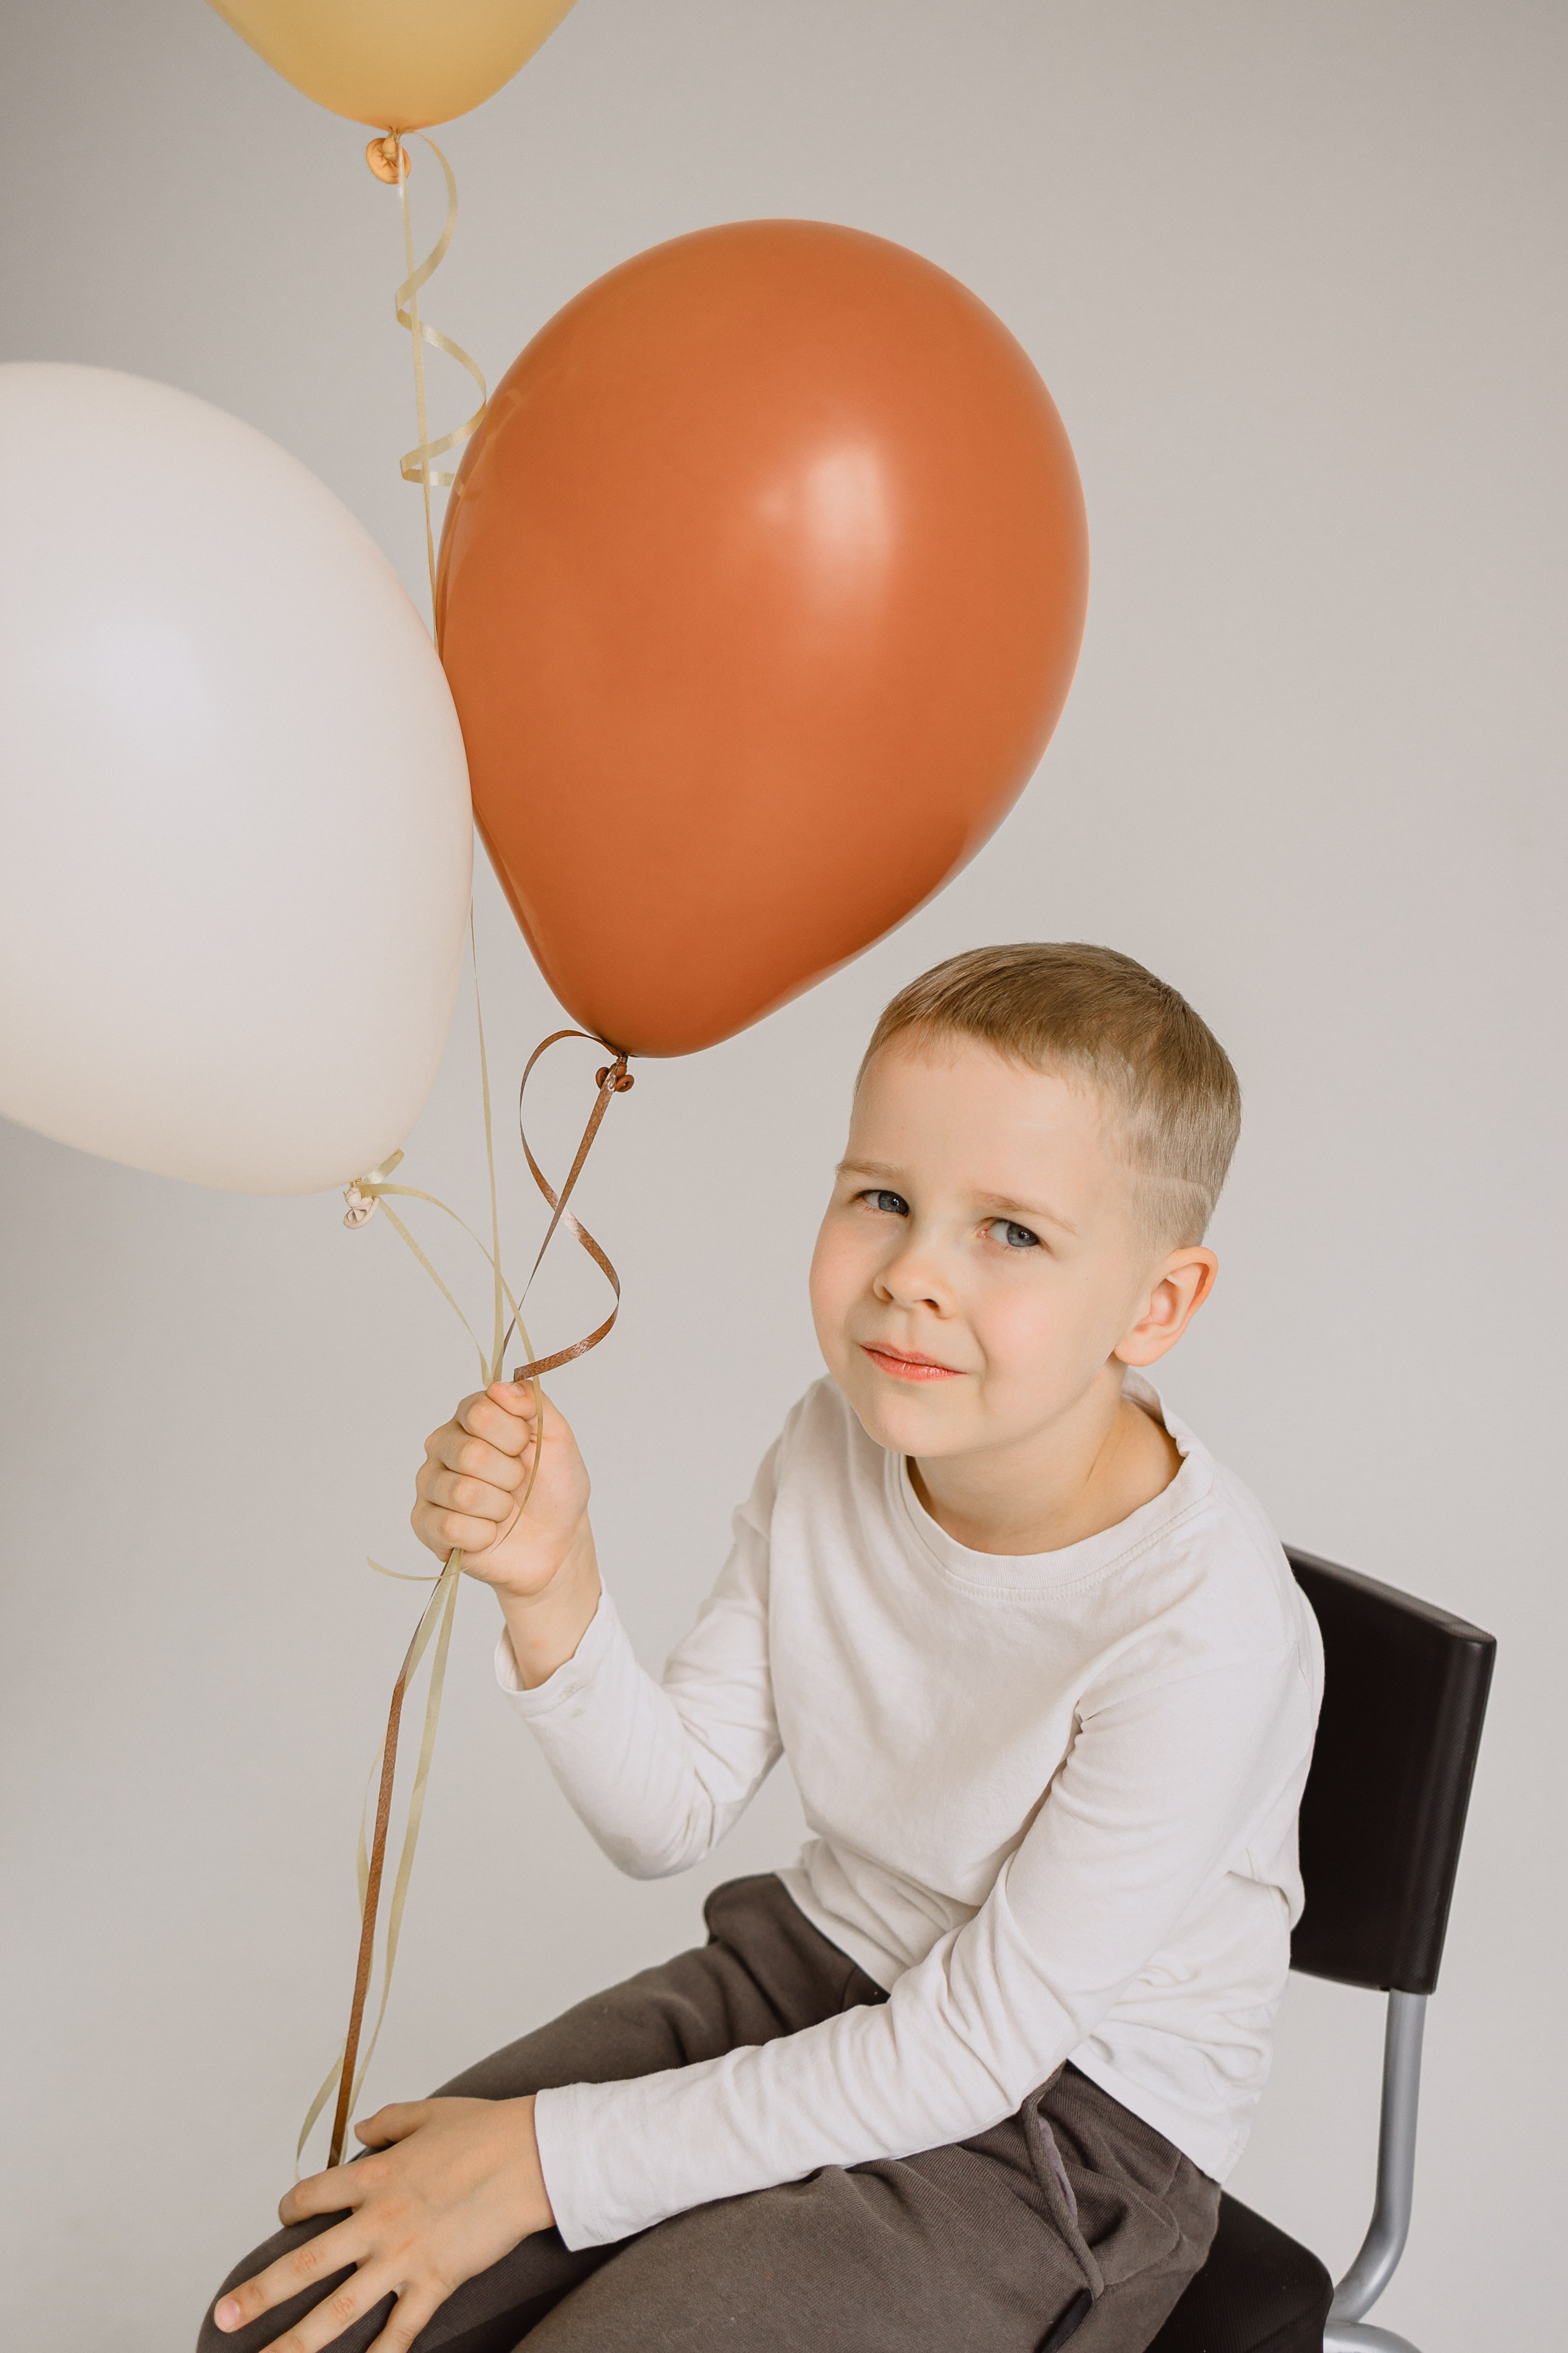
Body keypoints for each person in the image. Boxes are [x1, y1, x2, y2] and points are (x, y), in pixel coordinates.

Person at [202, 942, 1323, 2353]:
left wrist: (550, 2160)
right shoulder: (833, 1439)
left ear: (1156, 1304)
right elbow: (667, 1814)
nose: (913, 1274)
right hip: (812, 1976)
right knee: (299, 2318)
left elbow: (968, 2053)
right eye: (884, 1198)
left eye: (1013, 1231)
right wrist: (553, 1585)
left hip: (1061, 2127)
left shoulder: (1207, 1632)